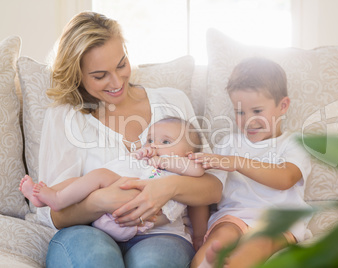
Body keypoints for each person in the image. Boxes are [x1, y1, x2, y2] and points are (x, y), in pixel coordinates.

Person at [37, 11, 224, 268]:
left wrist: (167, 188)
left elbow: (213, 188)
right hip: (88, 231)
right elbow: (50, 211)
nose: (116, 82)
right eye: (100, 75)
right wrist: (99, 201)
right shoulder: (64, 118)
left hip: (162, 234)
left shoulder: (173, 102)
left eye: (121, 64)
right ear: (77, 74)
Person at [189, 57, 312, 267]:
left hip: (278, 223)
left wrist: (236, 162)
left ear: (283, 106)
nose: (248, 121)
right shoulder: (227, 143)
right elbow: (206, 190)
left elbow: (285, 178)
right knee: (219, 239)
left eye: (257, 111)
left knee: (257, 245)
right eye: (239, 112)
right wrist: (200, 233)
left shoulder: (294, 143)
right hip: (233, 217)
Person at [20, 117, 205, 242]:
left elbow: (197, 170)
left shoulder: (183, 167)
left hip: (142, 213)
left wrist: (163, 161)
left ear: (189, 154)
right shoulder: (146, 161)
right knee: (79, 180)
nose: (154, 145)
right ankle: (49, 197)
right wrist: (142, 153)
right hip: (111, 208)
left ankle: (58, 199)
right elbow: (129, 163)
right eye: (150, 140)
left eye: (165, 142)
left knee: (100, 175)